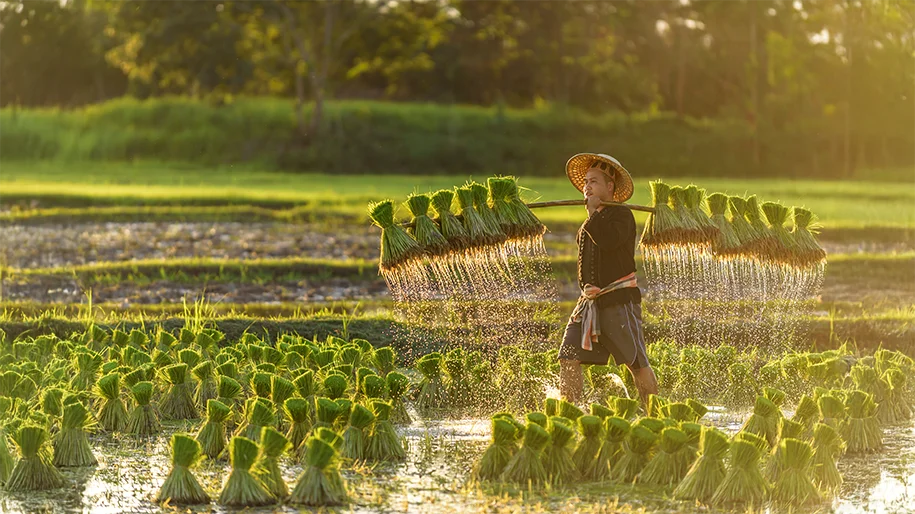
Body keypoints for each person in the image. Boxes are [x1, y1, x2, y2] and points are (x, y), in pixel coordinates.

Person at [558, 152, 659, 406]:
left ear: (610, 187)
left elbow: (609, 241)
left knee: (636, 363)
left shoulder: (621, 216)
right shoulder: (591, 220)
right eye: (586, 183)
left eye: (594, 182)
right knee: (568, 356)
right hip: (589, 304)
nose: (587, 187)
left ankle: (655, 414)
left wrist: (593, 216)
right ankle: (572, 412)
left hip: (618, 301)